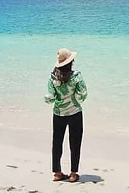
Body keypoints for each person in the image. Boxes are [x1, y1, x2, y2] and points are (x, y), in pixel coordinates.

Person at [44, 47, 88, 183]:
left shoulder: (53, 78)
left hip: (58, 114)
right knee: (75, 143)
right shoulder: (77, 76)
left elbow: (50, 98)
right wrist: (74, 99)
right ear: (71, 62)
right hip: (75, 113)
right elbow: (83, 94)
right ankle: (73, 174)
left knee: (57, 142)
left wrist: (55, 100)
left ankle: (57, 173)